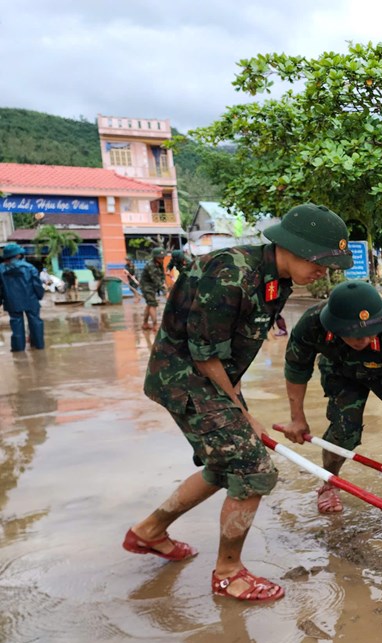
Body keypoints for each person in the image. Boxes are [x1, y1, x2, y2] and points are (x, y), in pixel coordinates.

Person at [123, 203, 353, 602]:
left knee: (224, 464)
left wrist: (240, 406)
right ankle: (229, 573)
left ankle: (148, 532)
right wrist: (244, 415)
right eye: (321, 262)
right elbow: (205, 353)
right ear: (294, 248)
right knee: (253, 468)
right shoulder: (231, 273)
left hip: (212, 376)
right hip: (184, 378)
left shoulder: (276, 282)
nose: (324, 271)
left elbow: (235, 353)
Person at [282, 281, 382, 527]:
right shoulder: (312, 325)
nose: (363, 339)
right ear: (334, 326)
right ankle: (330, 482)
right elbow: (296, 369)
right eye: (354, 333)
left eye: (369, 332)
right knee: (343, 432)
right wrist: (297, 418)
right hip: (340, 370)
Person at [0, 243, 45, 352]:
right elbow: (37, 285)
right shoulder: (29, 267)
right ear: (18, 255)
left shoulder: (1, 269)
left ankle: (18, 348)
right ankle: (38, 345)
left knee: (16, 323)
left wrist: (1, 301)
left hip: (12, 301)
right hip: (31, 299)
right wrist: (39, 296)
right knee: (35, 322)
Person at [139, 251, 166, 330]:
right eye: (160, 257)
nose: (162, 259)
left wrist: (164, 285)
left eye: (163, 257)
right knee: (153, 304)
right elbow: (156, 279)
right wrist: (165, 292)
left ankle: (145, 324)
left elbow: (161, 276)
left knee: (149, 304)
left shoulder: (160, 264)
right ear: (155, 257)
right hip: (146, 286)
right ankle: (155, 325)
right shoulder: (150, 265)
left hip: (152, 286)